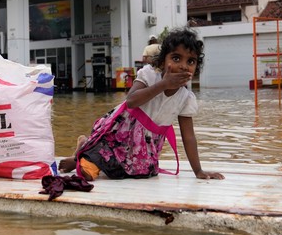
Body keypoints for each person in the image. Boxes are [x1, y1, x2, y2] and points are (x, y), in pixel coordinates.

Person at [59, 27, 223, 181]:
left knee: (143, 172)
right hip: (121, 131)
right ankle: (83, 153)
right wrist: (163, 84)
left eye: (191, 61)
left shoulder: (186, 98)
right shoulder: (150, 75)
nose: (183, 65)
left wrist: (198, 171)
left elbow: (189, 137)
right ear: (162, 62)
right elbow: (131, 101)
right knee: (92, 168)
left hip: (146, 143)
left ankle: (84, 152)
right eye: (176, 58)